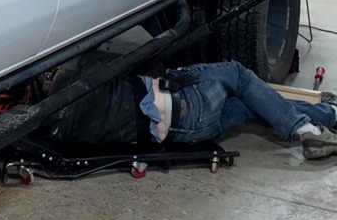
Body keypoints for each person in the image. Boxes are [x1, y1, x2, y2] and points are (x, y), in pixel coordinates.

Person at [139, 61, 337, 159]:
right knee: (239, 74)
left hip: (183, 135)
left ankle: (329, 114)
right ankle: (308, 130)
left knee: (250, 104)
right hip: (184, 101)